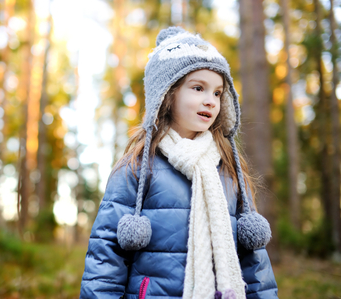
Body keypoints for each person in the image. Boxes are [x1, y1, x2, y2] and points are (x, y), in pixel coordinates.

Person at [80, 26, 278, 299]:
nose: (210, 101)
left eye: (218, 93)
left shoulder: (229, 169)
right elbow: (106, 257)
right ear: (167, 94)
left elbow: (255, 263)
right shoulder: (138, 166)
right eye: (198, 88)